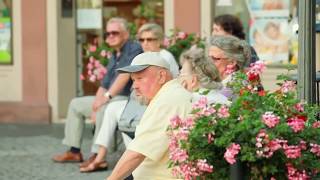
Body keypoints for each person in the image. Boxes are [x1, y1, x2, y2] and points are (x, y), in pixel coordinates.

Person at [79, 23, 179, 173]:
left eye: (150, 39)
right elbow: (108, 82)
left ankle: (128, 161)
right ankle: (101, 155)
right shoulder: (141, 57)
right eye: (142, 39)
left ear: (159, 41)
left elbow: (166, 87)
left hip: (158, 104)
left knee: (124, 117)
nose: (145, 43)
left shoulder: (164, 58)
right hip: (140, 102)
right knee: (115, 111)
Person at [52, 17, 143, 165]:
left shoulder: (133, 48)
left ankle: (97, 156)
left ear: (126, 34)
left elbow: (124, 76)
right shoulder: (115, 54)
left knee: (104, 109)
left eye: (115, 32)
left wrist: (105, 99)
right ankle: (74, 151)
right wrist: (96, 103)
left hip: (126, 99)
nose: (110, 36)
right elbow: (104, 84)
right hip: (111, 97)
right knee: (76, 104)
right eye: (108, 33)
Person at [107, 52, 193, 179]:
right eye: (133, 80)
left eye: (140, 78)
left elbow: (137, 153)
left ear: (161, 76)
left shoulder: (167, 101)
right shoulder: (170, 94)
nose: (134, 86)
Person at [208, 35, 251, 99]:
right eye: (208, 58)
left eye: (214, 58)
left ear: (232, 62)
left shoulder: (233, 86)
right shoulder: (220, 81)